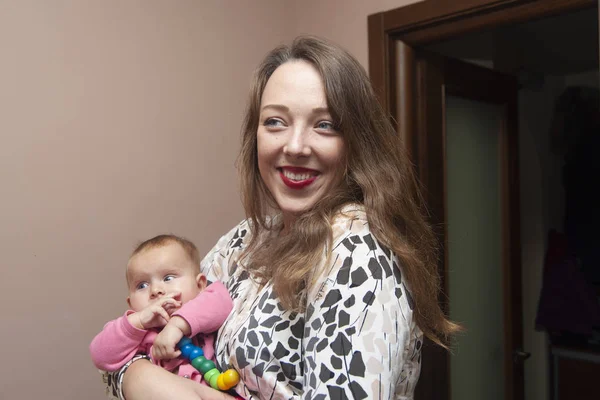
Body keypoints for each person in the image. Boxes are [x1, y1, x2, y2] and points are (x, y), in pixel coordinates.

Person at [101, 36, 459, 400]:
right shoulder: (247, 239)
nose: (295, 146)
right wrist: (136, 374)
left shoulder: (358, 257)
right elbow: (138, 347)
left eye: (325, 125)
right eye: (275, 122)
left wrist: (152, 383)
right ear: (254, 135)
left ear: (357, 141)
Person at [91, 234, 233, 384]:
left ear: (199, 285)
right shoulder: (139, 335)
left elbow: (220, 302)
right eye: (142, 286)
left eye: (168, 278)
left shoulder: (206, 302)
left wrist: (176, 326)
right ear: (131, 303)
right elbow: (100, 355)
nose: (155, 290)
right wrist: (137, 321)